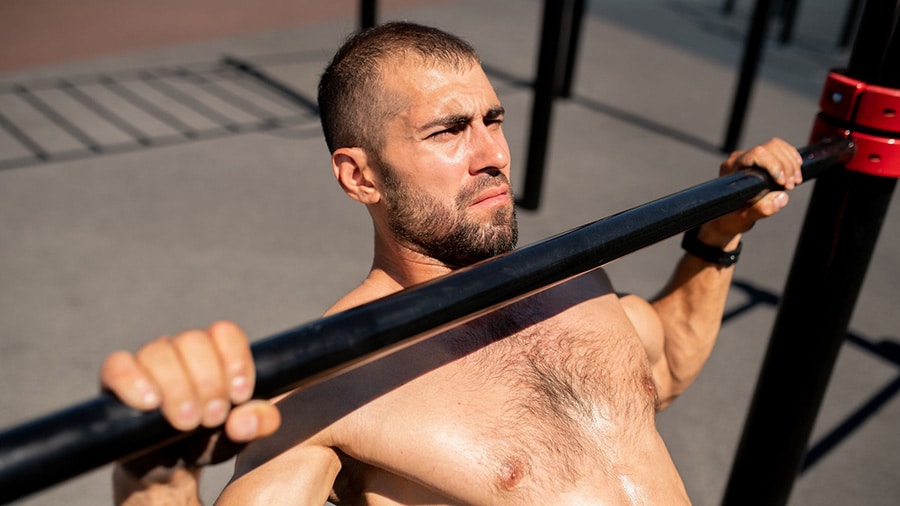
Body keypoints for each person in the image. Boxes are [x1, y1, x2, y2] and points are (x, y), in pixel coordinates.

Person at [101, 21, 804, 505]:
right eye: (448, 130)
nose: (492, 154)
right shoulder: (334, 387)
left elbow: (664, 366)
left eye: (493, 120)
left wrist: (717, 236)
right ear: (360, 176)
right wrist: (156, 485)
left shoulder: (572, 279)